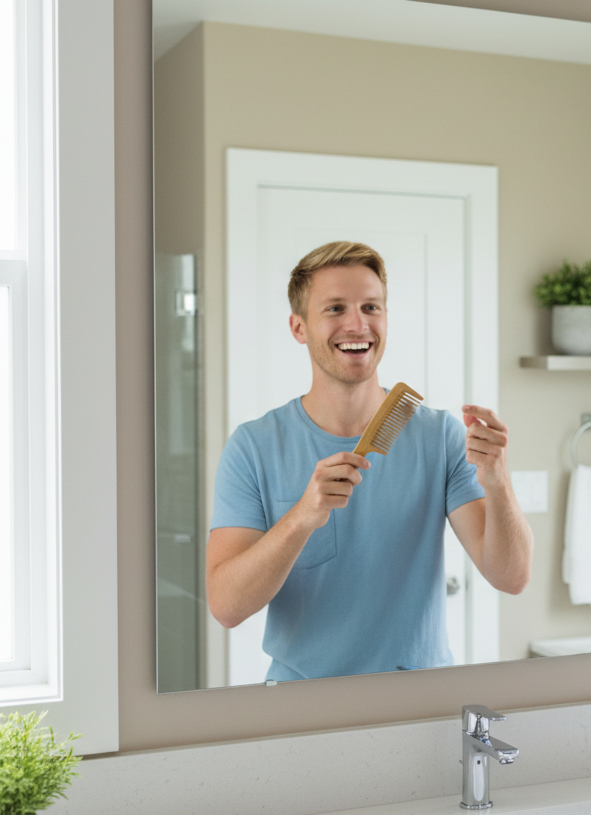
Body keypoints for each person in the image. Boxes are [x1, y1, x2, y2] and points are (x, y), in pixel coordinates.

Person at [206, 241, 532, 681]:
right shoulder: (253, 447)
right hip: (301, 700)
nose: (358, 324)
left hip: (417, 696)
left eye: (371, 307)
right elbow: (226, 607)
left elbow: (512, 577)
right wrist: (302, 517)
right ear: (299, 327)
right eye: (335, 309)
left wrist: (497, 480)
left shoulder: (440, 437)